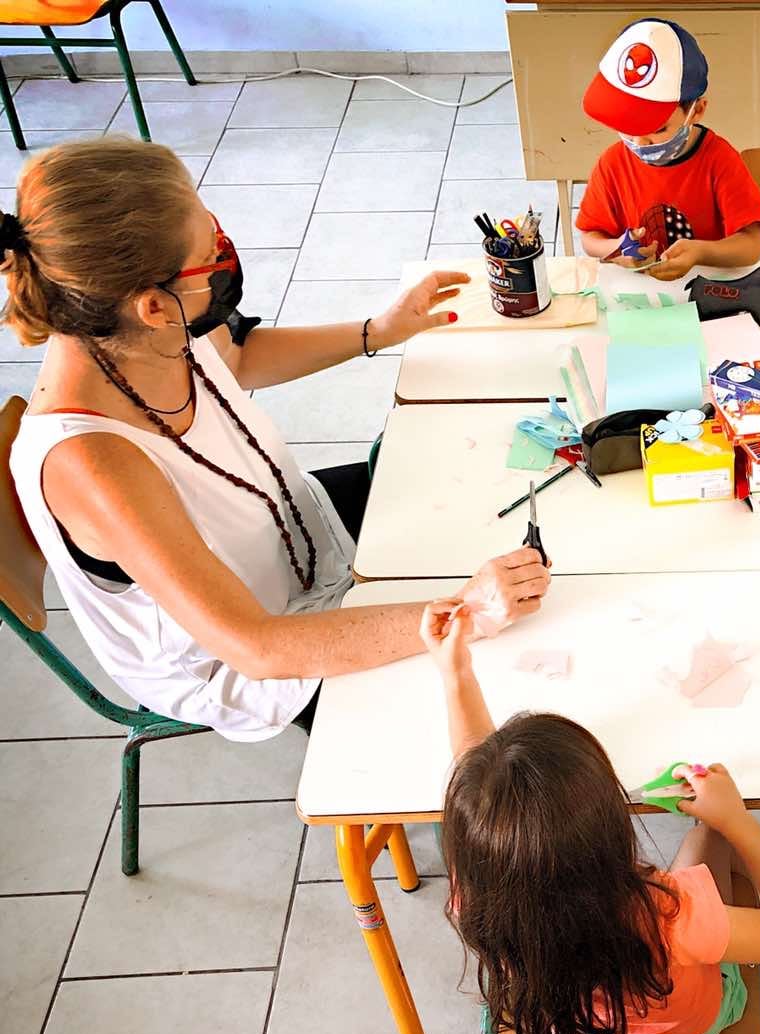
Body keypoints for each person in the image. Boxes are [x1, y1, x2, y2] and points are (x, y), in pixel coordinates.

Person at [3, 137, 549, 742]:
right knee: (507, 690)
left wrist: (379, 330)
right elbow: (256, 647)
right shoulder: (91, 462)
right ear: (154, 307)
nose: (222, 253)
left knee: (474, 484)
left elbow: (237, 356)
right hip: (246, 655)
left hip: (287, 531)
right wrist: (465, 612)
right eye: (208, 254)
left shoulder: (134, 327)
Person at [422, 599, 760, 1034]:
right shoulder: (668, 916)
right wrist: (735, 819)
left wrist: (455, 672)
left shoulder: (477, 893)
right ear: (609, 832)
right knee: (710, 836)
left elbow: (483, 788)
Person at [576, 18, 760, 282]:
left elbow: (751, 246)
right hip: (639, 290)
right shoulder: (612, 163)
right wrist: (618, 248)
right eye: (627, 126)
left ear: (697, 110)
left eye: (657, 129)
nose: (640, 143)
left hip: (705, 289)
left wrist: (700, 252)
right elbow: (590, 237)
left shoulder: (719, 160)